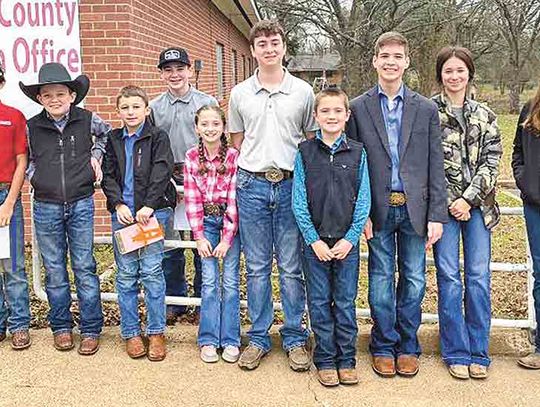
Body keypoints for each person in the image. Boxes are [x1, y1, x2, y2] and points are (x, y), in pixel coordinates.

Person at [347, 32, 448, 377]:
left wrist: (437, 214)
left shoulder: (426, 109)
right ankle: (383, 344)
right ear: (375, 61)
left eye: (397, 56)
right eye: (384, 55)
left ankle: (408, 344)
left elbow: (437, 163)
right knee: (379, 279)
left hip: (415, 209)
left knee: (415, 279)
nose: (390, 62)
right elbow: (353, 165)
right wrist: (360, 213)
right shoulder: (359, 108)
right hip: (378, 208)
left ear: (407, 62)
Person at [228, 20, 318, 371]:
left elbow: (309, 138)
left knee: (292, 266)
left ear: (283, 47)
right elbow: (238, 139)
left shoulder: (303, 91)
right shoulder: (239, 93)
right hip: (251, 185)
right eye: (261, 43)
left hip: (291, 183)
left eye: (274, 42)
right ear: (252, 50)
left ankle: (295, 337)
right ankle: (260, 337)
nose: (268, 48)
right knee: (257, 266)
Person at [20, 62, 109, 354]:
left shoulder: (87, 119)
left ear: (72, 95)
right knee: (55, 269)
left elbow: (107, 136)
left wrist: (96, 155)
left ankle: (91, 328)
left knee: (84, 265)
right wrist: (37, 177)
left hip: (81, 202)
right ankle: (60, 327)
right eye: (47, 95)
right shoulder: (31, 127)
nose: (54, 99)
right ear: (39, 99)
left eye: (60, 93)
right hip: (45, 205)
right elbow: (25, 157)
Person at [431, 46, 502, 380]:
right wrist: (449, 200)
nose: (454, 76)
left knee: (477, 278)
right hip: (443, 210)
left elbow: (492, 160)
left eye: (460, 70)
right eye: (448, 71)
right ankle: (455, 351)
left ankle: (479, 351)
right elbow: (426, 163)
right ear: (440, 75)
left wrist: (468, 199)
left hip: (478, 210)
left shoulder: (485, 115)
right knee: (448, 278)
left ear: (469, 73)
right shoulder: (429, 112)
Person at [293, 87, 370, 386]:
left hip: (346, 243)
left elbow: (363, 199)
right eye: (325, 111)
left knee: (345, 300)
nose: (332, 116)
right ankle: (325, 359)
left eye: (338, 110)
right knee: (320, 301)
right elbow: (298, 201)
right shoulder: (305, 151)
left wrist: (351, 238)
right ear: (316, 116)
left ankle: (346, 359)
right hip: (315, 244)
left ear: (347, 115)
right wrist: (313, 240)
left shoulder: (358, 152)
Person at [102, 85, 175, 361]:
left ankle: (156, 331)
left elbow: (162, 170)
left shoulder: (158, 137)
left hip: (151, 215)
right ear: (118, 111)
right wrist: (118, 204)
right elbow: (108, 175)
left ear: (146, 109)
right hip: (124, 216)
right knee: (126, 274)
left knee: (153, 272)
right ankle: (131, 332)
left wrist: (149, 205)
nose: (131, 112)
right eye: (125, 107)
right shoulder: (113, 139)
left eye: (136, 107)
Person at [150, 47, 218, 323]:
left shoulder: (206, 101)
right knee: (171, 243)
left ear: (190, 70)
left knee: (203, 239)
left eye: (180, 68)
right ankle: (176, 299)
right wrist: (163, 181)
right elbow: (153, 146)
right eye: (168, 70)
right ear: (162, 74)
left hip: (201, 176)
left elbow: (215, 140)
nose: (175, 74)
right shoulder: (154, 107)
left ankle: (203, 298)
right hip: (168, 177)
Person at [183, 105, 241, 364]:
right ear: (197, 127)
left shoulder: (233, 157)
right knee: (208, 281)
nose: (210, 129)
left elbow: (234, 197)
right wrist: (199, 236)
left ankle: (230, 339)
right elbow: (191, 197)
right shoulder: (192, 157)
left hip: (230, 223)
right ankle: (208, 338)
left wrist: (227, 238)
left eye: (215, 124)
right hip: (204, 223)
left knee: (229, 281)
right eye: (204, 124)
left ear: (223, 127)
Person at [0, 63, 32, 350]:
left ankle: (20, 323)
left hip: (4, 195)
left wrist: (9, 201)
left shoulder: (13, 117)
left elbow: (22, 161)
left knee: (12, 265)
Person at [513, 82, 540, 371]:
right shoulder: (530, 110)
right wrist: (526, 183)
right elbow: (517, 152)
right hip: (536, 206)